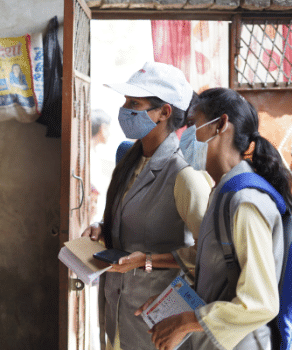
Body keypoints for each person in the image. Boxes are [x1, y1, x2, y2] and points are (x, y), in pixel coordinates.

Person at [136, 87, 292, 350]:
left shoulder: (245, 201)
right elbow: (216, 263)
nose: (185, 136)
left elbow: (259, 302)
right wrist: (170, 305)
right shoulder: (222, 192)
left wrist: (184, 322)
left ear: (220, 125)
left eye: (192, 125)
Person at [82, 62, 213, 350]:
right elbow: (132, 220)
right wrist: (103, 230)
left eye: (134, 103)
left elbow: (210, 252)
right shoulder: (129, 159)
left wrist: (147, 260)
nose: (125, 109)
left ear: (164, 112)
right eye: (126, 101)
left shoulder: (184, 175)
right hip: (116, 307)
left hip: (157, 317)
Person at [90, 109, 111, 222]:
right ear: (102, 128)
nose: (109, 134)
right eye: (108, 129)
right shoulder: (88, 153)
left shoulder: (93, 152)